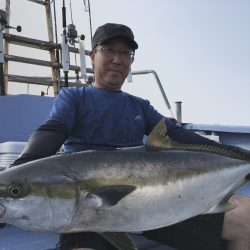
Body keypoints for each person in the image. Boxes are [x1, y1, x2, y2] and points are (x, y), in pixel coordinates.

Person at [11, 23, 250, 250]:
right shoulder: (74, 98)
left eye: (125, 53)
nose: (117, 59)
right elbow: (53, 130)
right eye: (109, 50)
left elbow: (177, 134)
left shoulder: (140, 106)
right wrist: (21, 167)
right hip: (85, 209)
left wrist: (240, 156)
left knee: (245, 220)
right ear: (92, 56)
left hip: (152, 202)